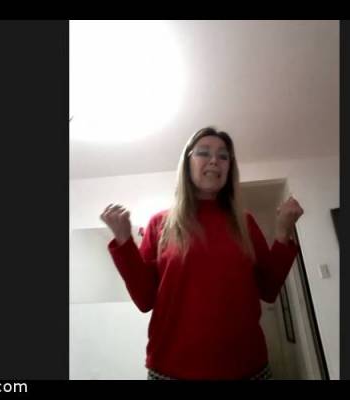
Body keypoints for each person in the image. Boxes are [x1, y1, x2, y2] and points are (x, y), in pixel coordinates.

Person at [100, 127, 304, 380]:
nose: (214, 160)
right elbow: (144, 299)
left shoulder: (245, 222)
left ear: (229, 168)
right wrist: (123, 240)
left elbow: (269, 288)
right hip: (172, 370)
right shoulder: (159, 224)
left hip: (247, 369)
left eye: (223, 156)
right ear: (187, 164)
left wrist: (283, 232)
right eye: (204, 152)